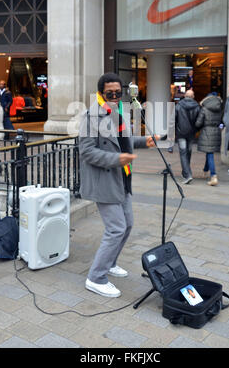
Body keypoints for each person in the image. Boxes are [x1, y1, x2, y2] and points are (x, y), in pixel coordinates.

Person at [79, 72, 158, 298]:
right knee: (116, 229)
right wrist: (116, 159)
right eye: (109, 93)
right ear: (101, 93)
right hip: (104, 181)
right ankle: (95, 277)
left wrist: (144, 141)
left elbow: (122, 141)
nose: (114, 96)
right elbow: (86, 151)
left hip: (121, 178)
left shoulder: (118, 113)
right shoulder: (91, 117)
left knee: (128, 224)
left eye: (118, 93)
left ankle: (110, 263)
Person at [171, 89, 200, 184]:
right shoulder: (197, 106)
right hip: (191, 133)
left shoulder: (179, 105)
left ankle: (187, 174)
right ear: (193, 96)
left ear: (185, 96)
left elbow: (173, 120)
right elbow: (199, 121)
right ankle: (186, 172)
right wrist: (196, 130)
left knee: (183, 153)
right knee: (188, 152)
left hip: (181, 133)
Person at [195, 92, 223, 186]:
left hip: (207, 131)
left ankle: (213, 175)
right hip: (216, 131)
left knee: (210, 154)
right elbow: (222, 121)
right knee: (209, 151)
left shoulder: (204, 108)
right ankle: (205, 170)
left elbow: (198, 123)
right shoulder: (219, 108)